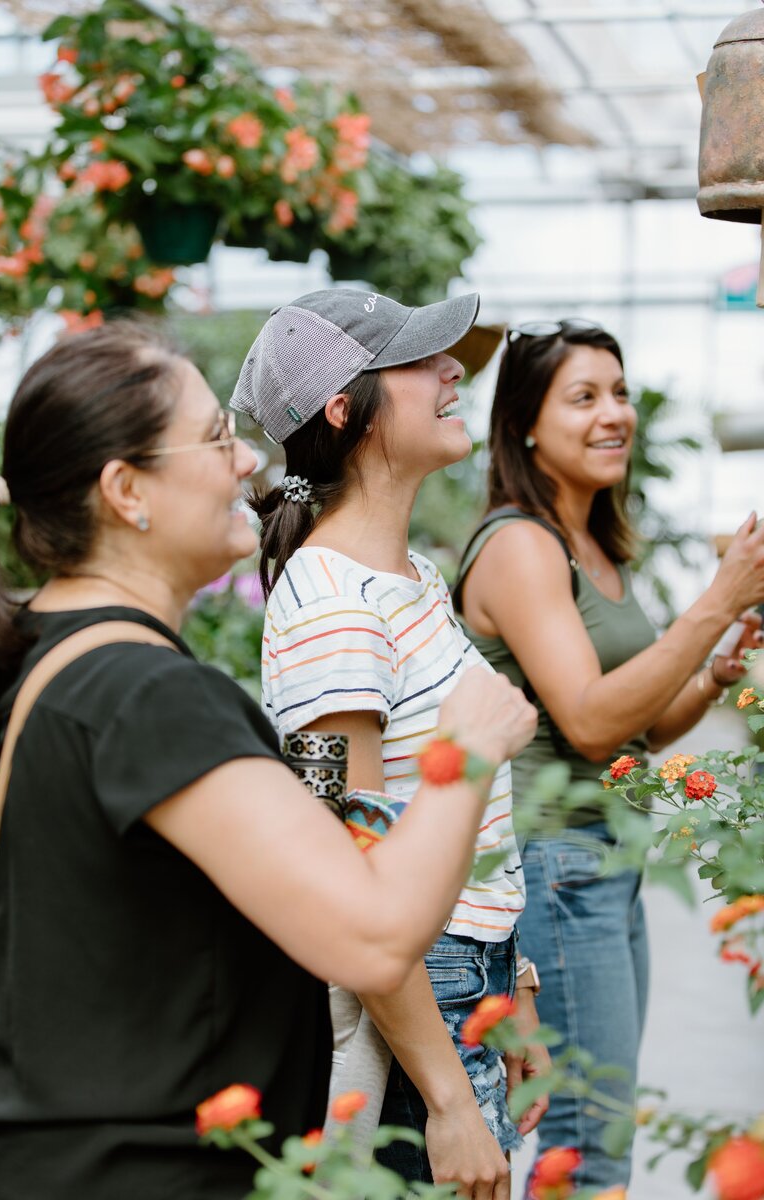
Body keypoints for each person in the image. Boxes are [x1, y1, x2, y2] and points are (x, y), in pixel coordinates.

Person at [0, 322, 538, 1200]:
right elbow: (373, 934)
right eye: (215, 438)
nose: (247, 463)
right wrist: (465, 749)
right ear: (127, 490)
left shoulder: (44, 658)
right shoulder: (147, 698)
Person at [234, 288, 547, 1200]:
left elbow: (464, 817)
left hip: (468, 971)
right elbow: (349, 861)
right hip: (419, 998)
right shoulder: (335, 605)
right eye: (421, 359)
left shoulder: (406, 577)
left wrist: (512, 982)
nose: (454, 371)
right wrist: (448, 1100)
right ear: (345, 410)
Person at [454, 318, 764, 1191]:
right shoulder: (521, 545)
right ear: (523, 422)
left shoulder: (595, 546)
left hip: (604, 860)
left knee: (600, 1130)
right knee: (589, 1144)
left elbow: (632, 732)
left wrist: (709, 674)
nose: (614, 414)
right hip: (555, 864)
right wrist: (713, 602)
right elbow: (588, 724)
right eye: (583, 397)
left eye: (620, 393)